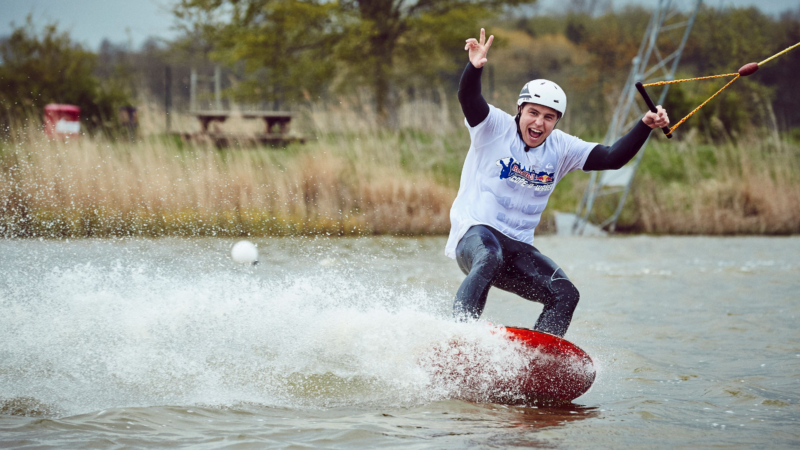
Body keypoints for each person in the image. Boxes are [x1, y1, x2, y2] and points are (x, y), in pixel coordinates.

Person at [448, 29, 670, 337]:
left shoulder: (562, 147)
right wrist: (474, 68)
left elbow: (612, 157)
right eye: (533, 113)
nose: (539, 123)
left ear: (556, 121)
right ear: (520, 110)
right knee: (489, 257)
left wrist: (644, 125)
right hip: (474, 235)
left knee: (565, 293)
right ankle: (458, 337)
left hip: (518, 248)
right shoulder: (493, 127)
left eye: (549, 117)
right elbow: (468, 98)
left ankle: (539, 360)